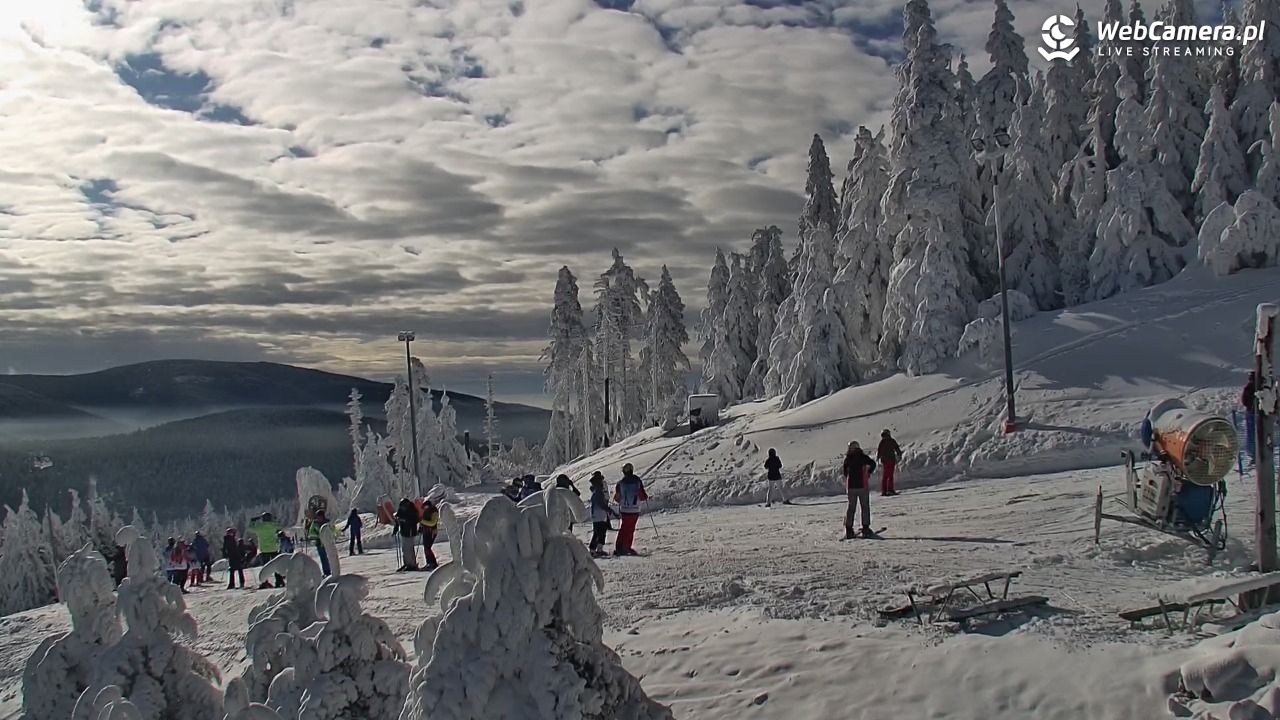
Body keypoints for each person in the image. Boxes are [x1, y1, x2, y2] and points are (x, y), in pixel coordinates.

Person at [842, 441, 877, 540]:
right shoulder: (863, 457)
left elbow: (845, 472)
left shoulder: (848, 459)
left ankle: (849, 529)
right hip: (863, 485)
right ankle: (865, 529)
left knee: (851, 507)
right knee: (865, 506)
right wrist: (868, 472)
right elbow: (873, 464)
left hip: (851, 487)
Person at [612, 463, 648, 556]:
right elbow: (643, 496)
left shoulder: (620, 483)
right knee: (631, 529)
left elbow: (617, 498)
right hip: (635, 509)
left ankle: (619, 547)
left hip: (624, 509)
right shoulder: (637, 481)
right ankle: (627, 547)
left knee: (623, 528)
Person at [588, 472, 619, 558]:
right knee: (598, 533)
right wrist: (610, 510)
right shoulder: (598, 492)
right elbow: (601, 504)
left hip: (598, 515)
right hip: (599, 516)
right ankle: (593, 550)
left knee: (600, 532)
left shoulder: (596, 491)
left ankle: (597, 549)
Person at [395, 498, 421, 572]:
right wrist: (396, 528)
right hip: (403, 531)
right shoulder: (401, 510)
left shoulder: (412, 510)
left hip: (410, 531)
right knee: (404, 549)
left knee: (409, 548)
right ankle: (406, 563)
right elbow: (397, 518)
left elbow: (415, 520)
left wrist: (404, 520)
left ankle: (412, 564)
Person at [877, 430, 903, 496]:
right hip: (891, 460)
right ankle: (890, 490)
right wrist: (899, 454)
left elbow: (879, 451)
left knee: (885, 476)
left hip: (885, 460)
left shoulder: (882, 442)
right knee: (890, 475)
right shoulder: (891, 440)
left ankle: (884, 491)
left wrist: (878, 457)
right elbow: (896, 448)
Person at [308, 510, 332, 576]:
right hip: (319, 543)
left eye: (320, 517)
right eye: (318, 517)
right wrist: (317, 537)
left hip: (327, 543)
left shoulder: (327, 523)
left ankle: (331, 570)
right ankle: (326, 572)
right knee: (323, 557)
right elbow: (311, 533)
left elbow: (332, 531)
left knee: (330, 557)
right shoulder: (315, 523)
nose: (319, 518)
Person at [419, 499, 440, 570]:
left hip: (432, 532)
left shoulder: (434, 511)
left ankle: (432, 563)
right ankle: (430, 563)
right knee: (426, 548)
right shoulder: (426, 512)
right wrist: (421, 527)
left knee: (427, 548)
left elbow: (433, 523)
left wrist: (422, 521)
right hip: (426, 532)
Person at [1244, 371, 1258, 461]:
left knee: (1251, 433)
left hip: (1251, 412)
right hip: (1253, 412)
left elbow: (1244, 400)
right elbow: (1245, 400)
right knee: (1253, 433)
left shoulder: (1249, 387)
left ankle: (1253, 452)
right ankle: (1253, 452)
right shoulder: (1251, 387)